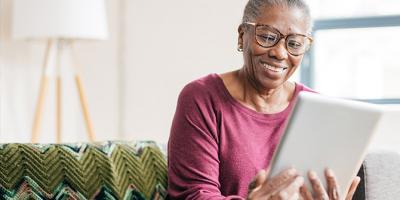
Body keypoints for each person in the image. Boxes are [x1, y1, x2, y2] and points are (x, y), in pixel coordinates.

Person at [167, 0, 360, 199]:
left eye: (294, 44)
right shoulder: (202, 98)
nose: (279, 53)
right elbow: (194, 194)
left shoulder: (318, 109)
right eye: (267, 37)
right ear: (242, 36)